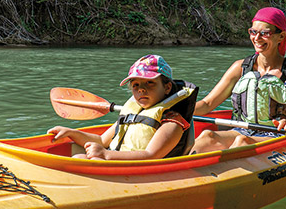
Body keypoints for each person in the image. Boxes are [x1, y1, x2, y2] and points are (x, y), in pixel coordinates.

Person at [191, 7, 286, 153]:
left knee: (242, 142)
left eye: (265, 33)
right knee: (208, 136)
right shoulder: (240, 67)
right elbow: (207, 104)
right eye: (253, 32)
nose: (257, 38)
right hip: (243, 130)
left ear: (281, 36)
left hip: (278, 135)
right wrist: (176, 111)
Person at [47, 55, 197, 160]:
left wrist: (106, 155)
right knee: (77, 155)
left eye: (150, 83)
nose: (141, 89)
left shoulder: (172, 122)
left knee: (83, 158)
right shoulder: (131, 114)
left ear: (167, 87)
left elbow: (151, 155)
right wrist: (71, 133)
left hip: (138, 171)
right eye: (136, 85)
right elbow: (101, 140)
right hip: (116, 160)